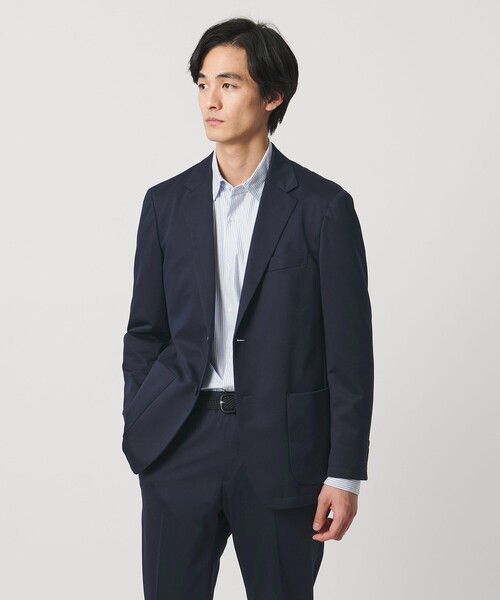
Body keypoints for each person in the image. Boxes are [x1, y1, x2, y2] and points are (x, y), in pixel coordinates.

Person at [122, 17, 374, 600]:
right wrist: (143, 415)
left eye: (229, 84)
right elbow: (145, 331)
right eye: (203, 84)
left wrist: (344, 473)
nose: (210, 100)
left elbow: (349, 353)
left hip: (285, 452)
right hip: (179, 444)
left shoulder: (323, 208)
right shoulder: (164, 204)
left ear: (272, 96)